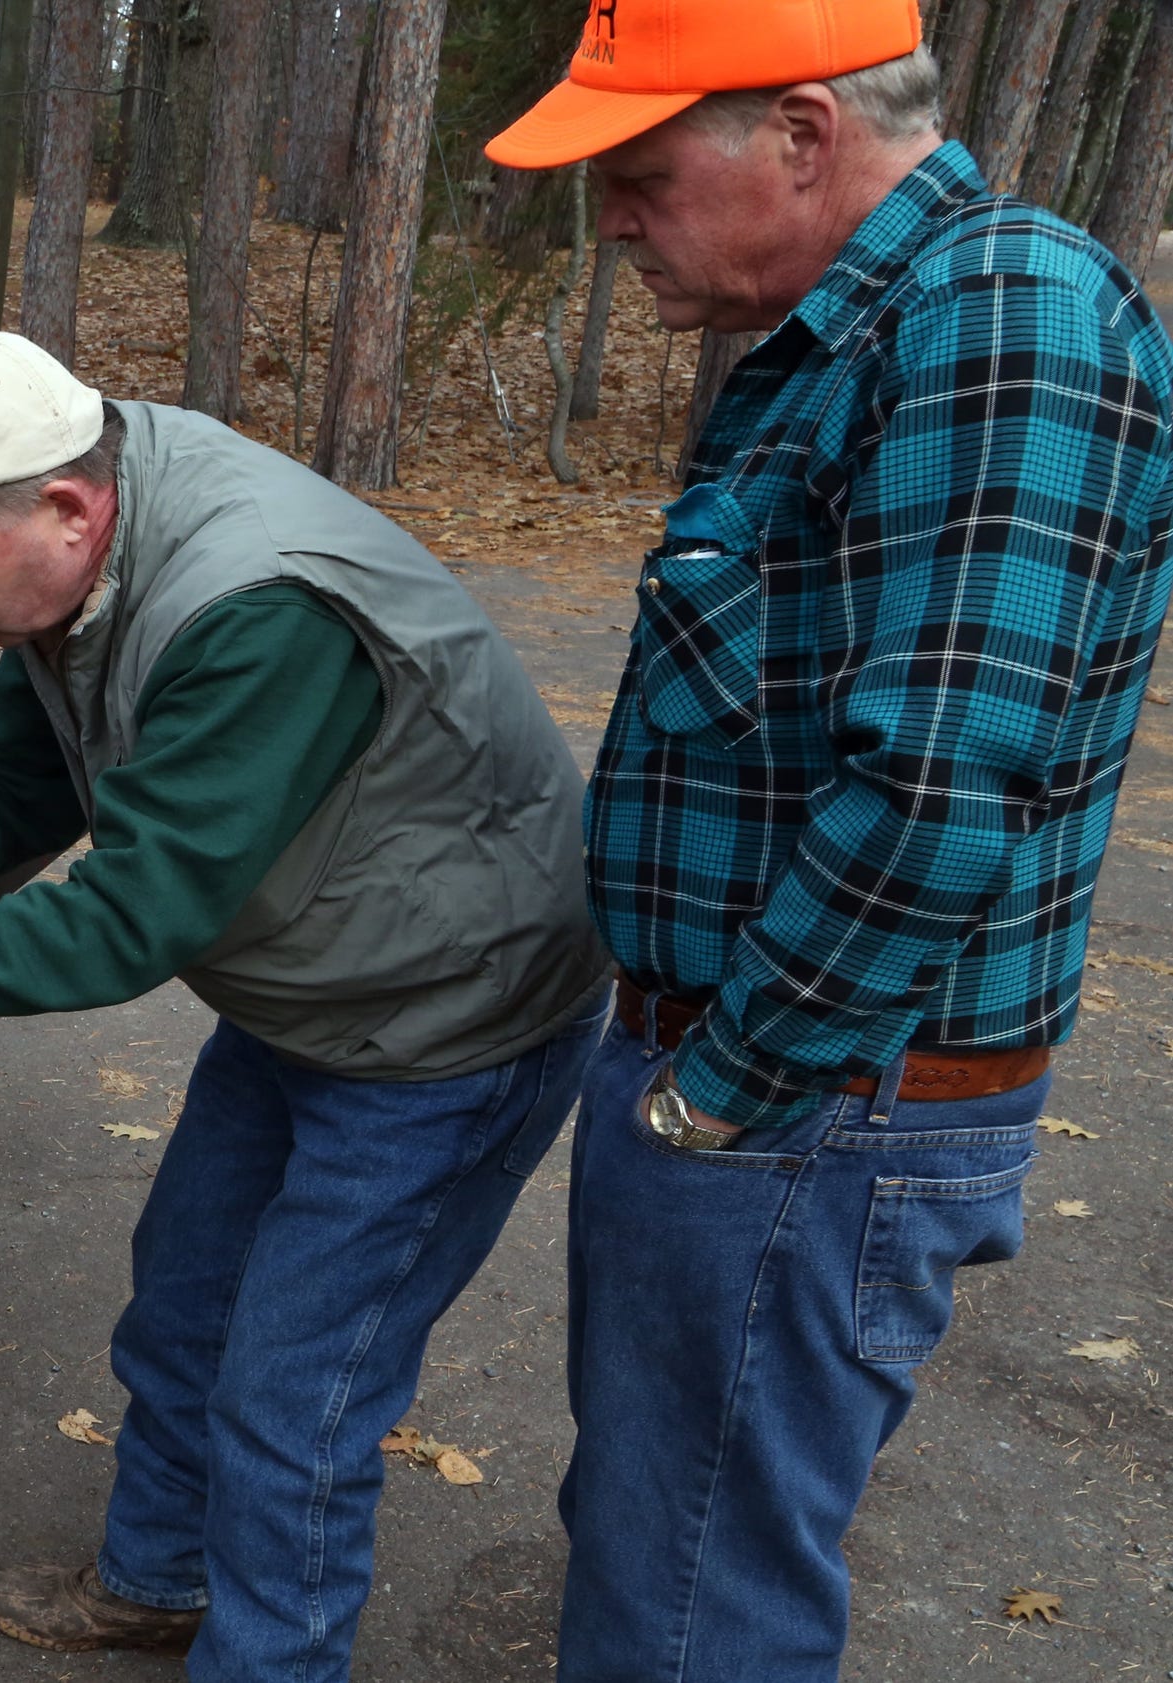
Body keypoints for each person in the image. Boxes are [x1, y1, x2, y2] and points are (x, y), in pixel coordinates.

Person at [0, 328, 612, 1680]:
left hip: (442, 1026)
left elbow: (127, 920)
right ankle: (159, 1579)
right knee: (184, 1304)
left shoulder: (256, 608)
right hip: (311, 986)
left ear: (66, 508)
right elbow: (22, 750)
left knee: (298, 1397)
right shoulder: (86, 522)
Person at [482, 1, 1173, 1677]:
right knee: (664, 1532)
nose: (613, 221)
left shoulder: (1002, 320)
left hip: (811, 1099)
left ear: (800, 135)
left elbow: (942, 787)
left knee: (691, 1590)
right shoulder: (866, 326)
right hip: (774, 1086)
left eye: (639, 174)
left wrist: (720, 1087)